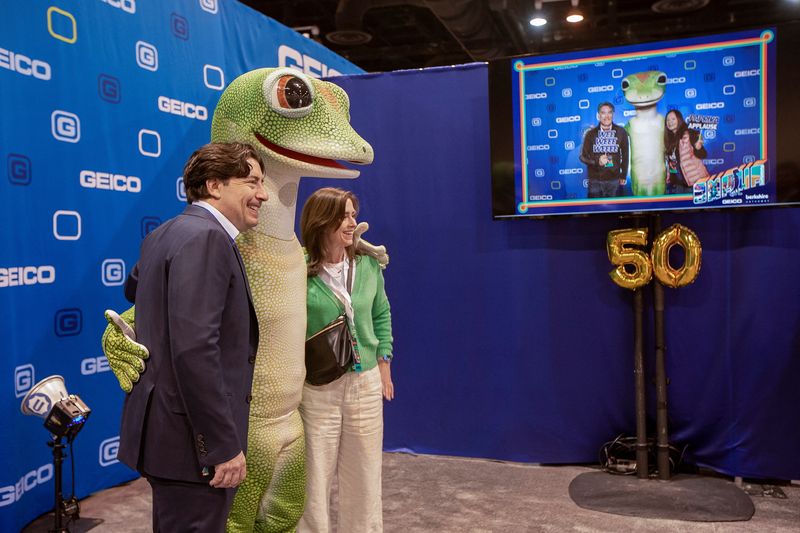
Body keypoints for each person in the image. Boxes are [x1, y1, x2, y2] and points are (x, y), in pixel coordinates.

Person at [117, 142, 268, 532]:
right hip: (191, 444)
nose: (263, 194)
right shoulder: (207, 238)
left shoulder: (163, 234)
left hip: (166, 437)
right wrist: (222, 445)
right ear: (214, 185)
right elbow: (195, 350)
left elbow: (133, 289)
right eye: (252, 182)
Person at [298, 187, 394, 533]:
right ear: (322, 220)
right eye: (345, 215)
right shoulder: (298, 270)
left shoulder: (368, 264)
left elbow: (381, 314)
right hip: (318, 389)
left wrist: (384, 363)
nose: (352, 222)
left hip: (365, 384)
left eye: (353, 214)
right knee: (313, 481)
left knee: (365, 477)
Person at [579, 102, 630, 198]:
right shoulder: (591, 134)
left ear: (613, 114)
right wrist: (597, 162)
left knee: (615, 211)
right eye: (603, 113)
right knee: (595, 210)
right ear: (598, 115)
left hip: (614, 180)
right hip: (595, 180)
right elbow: (582, 156)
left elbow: (625, 154)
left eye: (609, 112)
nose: (606, 116)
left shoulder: (621, 132)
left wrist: (623, 175)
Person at [664, 109, 709, 194]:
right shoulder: (669, 140)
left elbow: (703, 154)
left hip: (695, 181)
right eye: (668, 120)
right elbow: (672, 162)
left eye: (673, 119)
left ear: (679, 119)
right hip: (678, 184)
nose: (670, 122)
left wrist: (698, 148)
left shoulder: (689, 134)